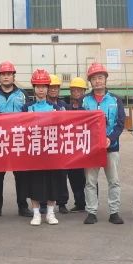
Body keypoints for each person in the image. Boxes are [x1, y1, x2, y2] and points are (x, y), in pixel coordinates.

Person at [82, 62, 126, 225]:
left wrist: (110, 138)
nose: (97, 81)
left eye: (100, 77)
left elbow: (120, 123)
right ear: (90, 82)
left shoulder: (115, 100)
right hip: (91, 148)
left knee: (113, 181)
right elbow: (80, 123)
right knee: (90, 182)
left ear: (106, 79)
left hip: (111, 148)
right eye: (94, 78)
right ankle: (91, 212)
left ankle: (114, 212)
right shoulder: (85, 101)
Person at [23, 69, 65, 226]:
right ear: (33, 88)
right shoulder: (27, 108)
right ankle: (36, 214)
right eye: (38, 86)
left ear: (48, 88)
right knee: (34, 183)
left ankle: (50, 213)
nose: (41, 89)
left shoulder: (56, 108)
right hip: (33, 151)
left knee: (52, 183)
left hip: (51, 151)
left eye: (44, 86)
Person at [0, 61, 29, 218]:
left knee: (21, 176)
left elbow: (29, 117)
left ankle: (23, 206)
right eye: (3, 74)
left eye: (9, 74)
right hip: (0, 140)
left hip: (18, 139)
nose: (6, 77)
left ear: (13, 76)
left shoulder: (22, 95)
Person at [58, 76, 88, 213]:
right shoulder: (66, 107)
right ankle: (76, 203)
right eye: (73, 90)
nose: (76, 92)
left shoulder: (86, 107)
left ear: (84, 91)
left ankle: (87, 202)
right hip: (68, 146)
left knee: (85, 178)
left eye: (79, 90)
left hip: (83, 146)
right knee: (71, 177)